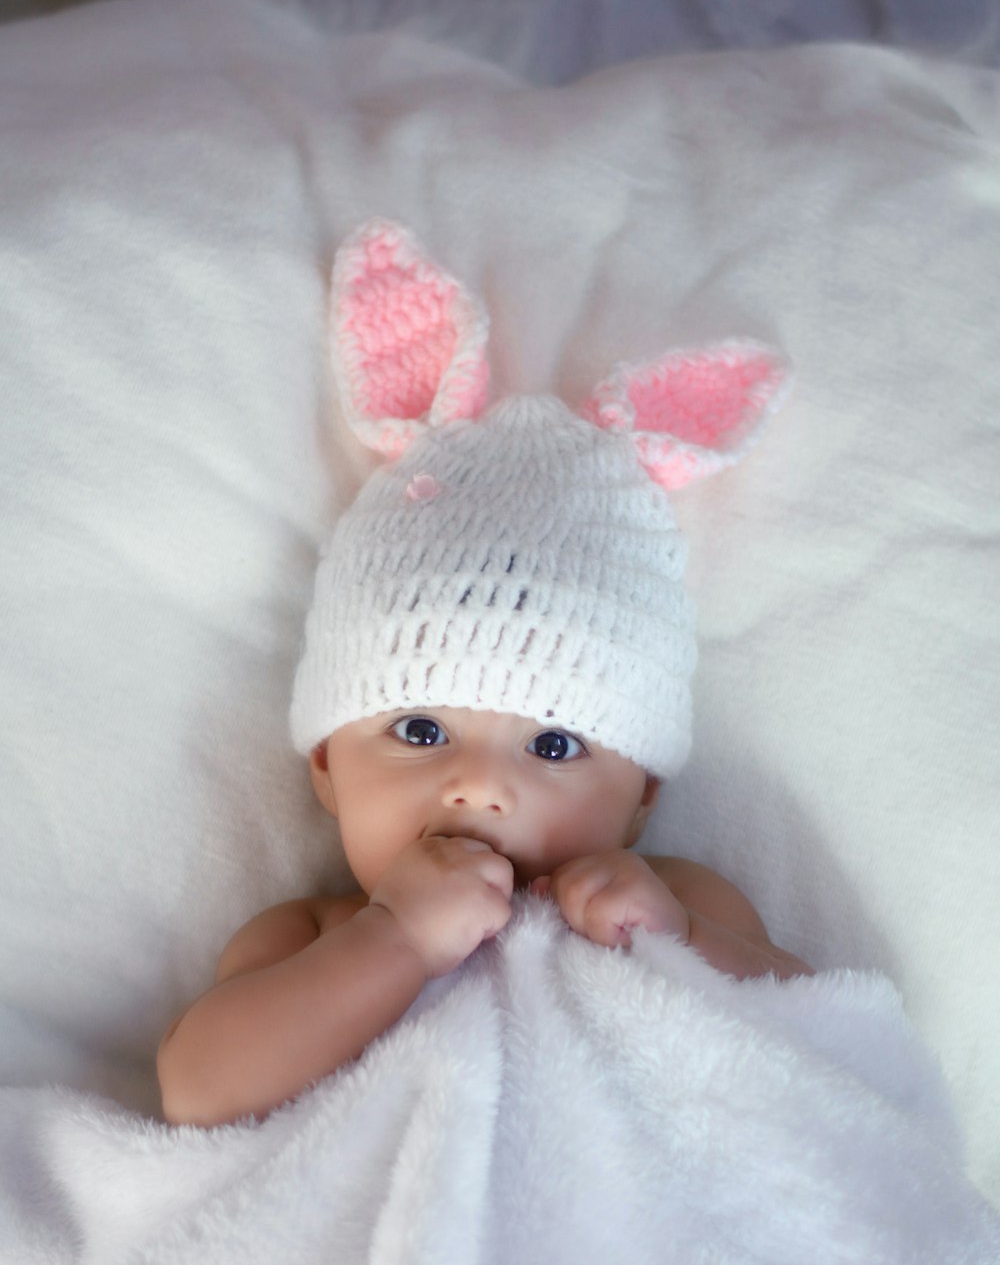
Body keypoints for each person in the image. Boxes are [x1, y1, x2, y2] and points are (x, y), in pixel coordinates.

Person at [157, 219, 809, 1130]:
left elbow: (823, 1047)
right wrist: (396, 941)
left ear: (641, 798)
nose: (478, 785)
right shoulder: (314, 936)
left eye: (553, 743)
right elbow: (199, 1092)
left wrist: (682, 943)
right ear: (326, 771)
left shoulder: (683, 903)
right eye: (419, 731)